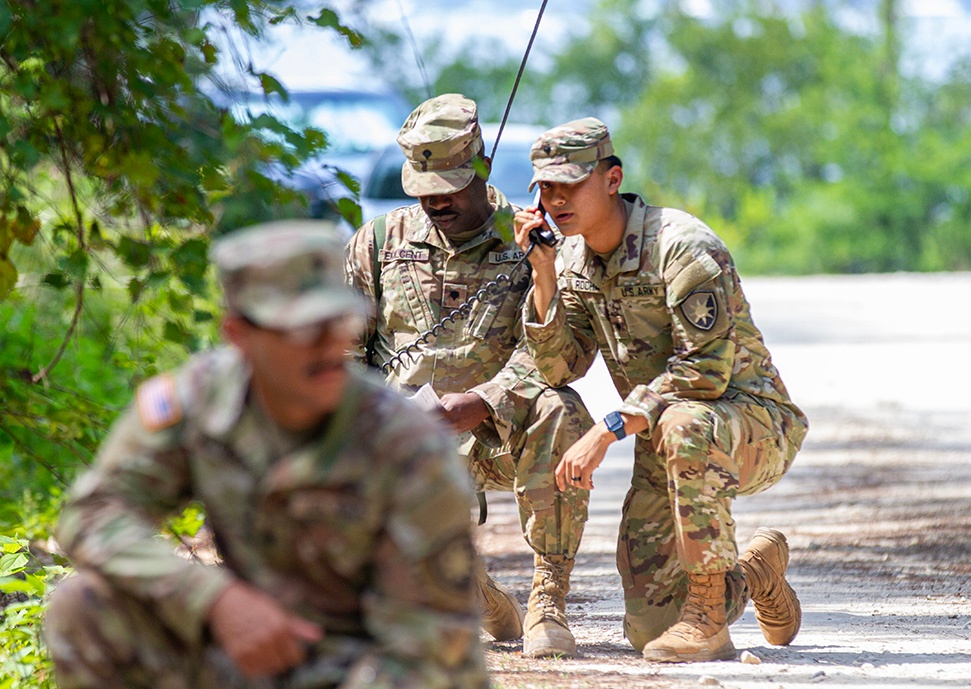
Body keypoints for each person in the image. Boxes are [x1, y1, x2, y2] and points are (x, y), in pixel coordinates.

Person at [43, 221, 489, 688]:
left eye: (337, 323)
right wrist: (212, 599)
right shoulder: (197, 403)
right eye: (301, 329)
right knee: (84, 606)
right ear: (239, 334)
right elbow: (90, 513)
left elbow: (435, 646)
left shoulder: (406, 446)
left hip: (372, 665)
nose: (327, 347)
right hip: (249, 648)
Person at [513, 118, 810, 663]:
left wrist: (607, 430)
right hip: (667, 440)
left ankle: (708, 620)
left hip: (751, 423)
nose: (555, 200)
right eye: (545, 188)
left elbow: (704, 374)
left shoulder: (682, 246)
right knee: (649, 627)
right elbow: (560, 368)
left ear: (611, 179)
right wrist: (544, 277)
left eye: (569, 185)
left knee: (684, 421)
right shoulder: (575, 262)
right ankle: (754, 575)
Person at [345, 94, 593, 658]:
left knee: (563, 408)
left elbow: (559, 360)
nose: (435, 201)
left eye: (450, 186)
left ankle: (547, 597)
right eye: (422, 189)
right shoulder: (378, 243)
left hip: (496, 437)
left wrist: (482, 400)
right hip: (405, 444)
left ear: (481, 166)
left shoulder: (533, 240)